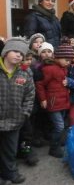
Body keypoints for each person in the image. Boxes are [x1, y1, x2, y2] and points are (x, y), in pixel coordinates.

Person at [0, 37, 34, 184]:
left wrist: (24, 113)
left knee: (10, 150)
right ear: (5, 52)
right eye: (15, 51)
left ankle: (10, 172)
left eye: (21, 53)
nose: (19, 55)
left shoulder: (24, 74)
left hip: (14, 120)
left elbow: (30, 96)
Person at [35, 43, 74, 158]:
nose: (68, 62)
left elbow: (62, 83)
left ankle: (57, 142)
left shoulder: (63, 68)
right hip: (53, 102)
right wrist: (42, 99)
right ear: (58, 57)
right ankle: (54, 147)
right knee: (59, 126)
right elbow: (40, 84)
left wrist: (67, 85)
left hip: (62, 101)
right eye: (66, 60)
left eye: (70, 60)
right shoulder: (50, 69)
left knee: (58, 125)